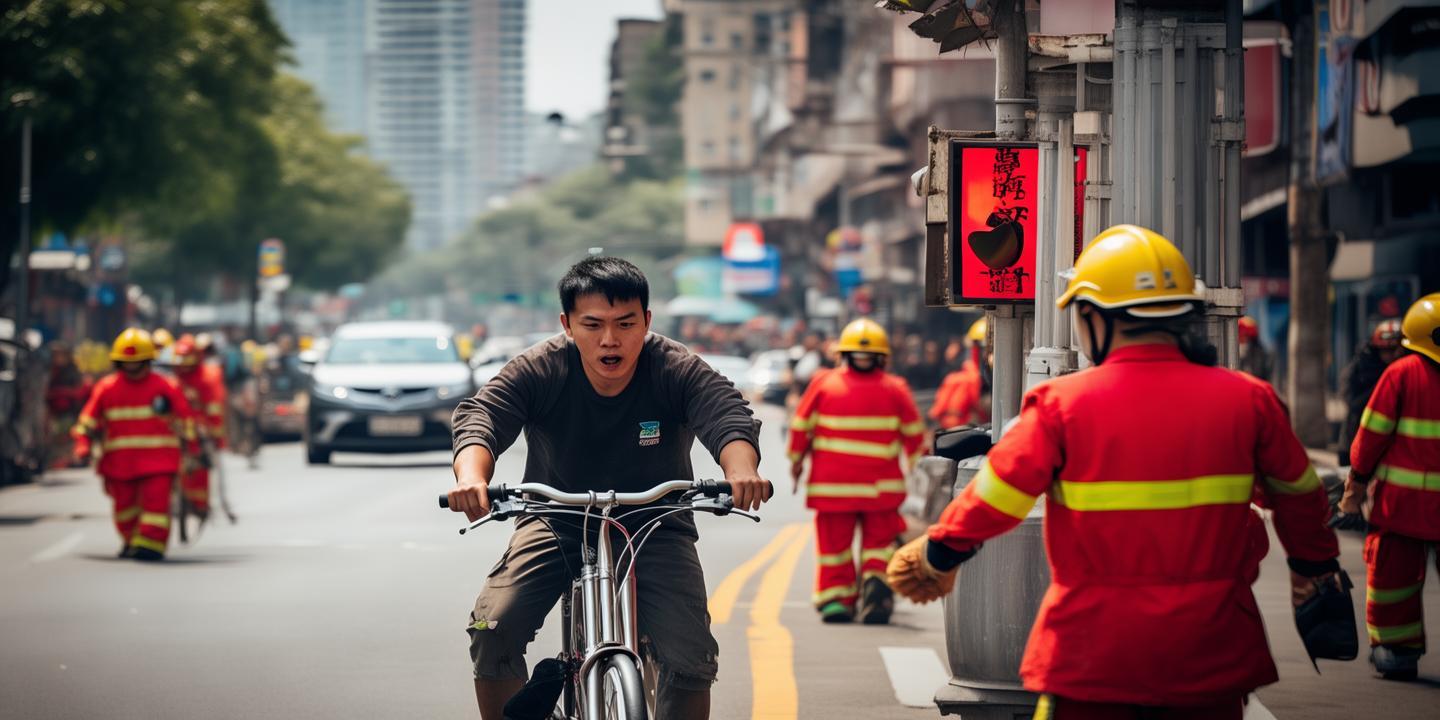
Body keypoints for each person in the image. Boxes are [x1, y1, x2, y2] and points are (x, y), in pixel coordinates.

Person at [887, 225, 1343, 719]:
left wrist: (938, 555)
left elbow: (995, 496)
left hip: (1093, 657)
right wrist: (1313, 572)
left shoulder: (1062, 405)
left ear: (1091, 316)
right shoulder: (1249, 400)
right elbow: (1302, 500)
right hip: (1212, 655)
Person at [445, 256, 772, 720]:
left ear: (647, 321)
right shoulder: (540, 369)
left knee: (690, 655)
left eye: (625, 323)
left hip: (655, 524)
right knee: (493, 624)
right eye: (593, 324)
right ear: (567, 324)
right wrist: (471, 478)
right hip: (555, 519)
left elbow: (727, 414)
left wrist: (741, 470)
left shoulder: (674, 367)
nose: (610, 340)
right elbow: (482, 418)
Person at [788, 318, 924, 625]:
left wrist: (796, 463)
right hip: (882, 490)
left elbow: (799, 429)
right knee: (878, 545)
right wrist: (919, 475)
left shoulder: (823, 385)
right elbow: (915, 439)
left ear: (842, 353)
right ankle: (875, 585)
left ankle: (837, 600)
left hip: (832, 488)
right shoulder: (896, 389)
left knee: (834, 548)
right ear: (883, 356)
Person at [1335, 292, 1440, 681]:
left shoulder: (1402, 374)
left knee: (1393, 580)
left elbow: (1370, 437)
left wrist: (1355, 488)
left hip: (1403, 508)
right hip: (1405, 506)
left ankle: (1396, 651)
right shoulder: (1392, 371)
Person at [71, 328, 199, 561]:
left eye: (137, 362)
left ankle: (151, 544)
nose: (132, 368)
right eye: (127, 363)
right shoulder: (106, 388)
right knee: (124, 510)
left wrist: (193, 446)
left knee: (155, 505)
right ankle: (132, 540)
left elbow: (185, 417)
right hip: (120, 465)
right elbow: (86, 421)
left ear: (148, 360)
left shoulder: (165, 386)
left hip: (159, 462)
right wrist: (83, 445)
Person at [168, 335, 225, 519]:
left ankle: (200, 504)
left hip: (199, 427)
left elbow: (214, 407)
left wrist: (215, 434)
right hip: (176, 425)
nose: (184, 366)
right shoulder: (171, 378)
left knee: (200, 464)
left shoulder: (207, 376)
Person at [1338, 319, 1404, 467]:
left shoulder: (1407, 372)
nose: (1393, 355)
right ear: (1376, 349)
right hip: (1355, 438)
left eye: (1397, 350)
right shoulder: (1360, 367)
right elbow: (1351, 402)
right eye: (1387, 350)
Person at [930, 318, 991, 429]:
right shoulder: (972, 378)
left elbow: (936, 410)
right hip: (963, 428)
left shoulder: (952, 378)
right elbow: (979, 406)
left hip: (948, 429)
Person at [43, 341, 92, 469]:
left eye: (60, 355)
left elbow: (80, 391)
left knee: (68, 434)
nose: (57, 358)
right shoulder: (51, 371)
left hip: (71, 409)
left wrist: (62, 393)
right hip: (55, 410)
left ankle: (72, 458)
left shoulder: (73, 371)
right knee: (57, 435)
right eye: (55, 355)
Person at [1236, 315, 1273, 383]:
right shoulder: (1235, 349)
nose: (1242, 338)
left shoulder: (1258, 352)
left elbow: (1259, 372)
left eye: (1245, 335)